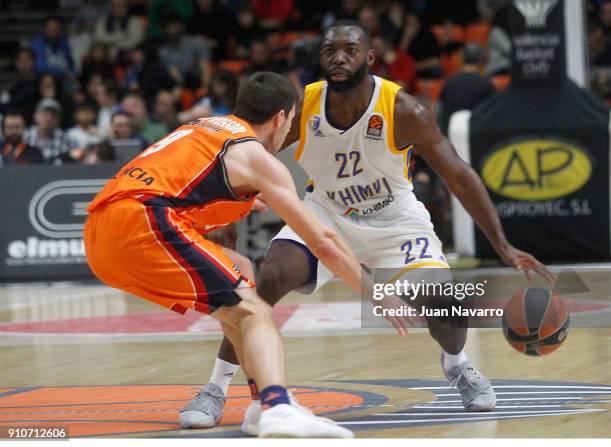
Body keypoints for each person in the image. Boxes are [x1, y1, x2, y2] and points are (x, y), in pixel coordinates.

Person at [188, 20, 554, 431]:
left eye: (350, 49)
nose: (339, 57)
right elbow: (240, 151)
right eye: (330, 50)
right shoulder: (302, 106)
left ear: (370, 57)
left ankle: (457, 365)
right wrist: (224, 211)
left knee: (447, 302)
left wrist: (503, 245)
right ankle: (216, 387)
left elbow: (457, 173)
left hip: (395, 221)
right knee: (269, 278)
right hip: (326, 212)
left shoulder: (403, 109)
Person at [83, 71, 392, 438]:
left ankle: (261, 404)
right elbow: (322, 240)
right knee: (256, 310)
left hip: (99, 233)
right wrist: (374, 291)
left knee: (241, 272)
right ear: (281, 118)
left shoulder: (203, 127)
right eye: (290, 120)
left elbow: (184, 186)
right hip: (143, 222)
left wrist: (240, 204)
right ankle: (278, 406)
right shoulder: (255, 157)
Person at [438, 43, 495, 135]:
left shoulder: (449, 83)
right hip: (476, 137)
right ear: (481, 60)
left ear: (462, 59)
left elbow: (441, 114)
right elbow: (492, 116)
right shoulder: (486, 84)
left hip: (452, 135)